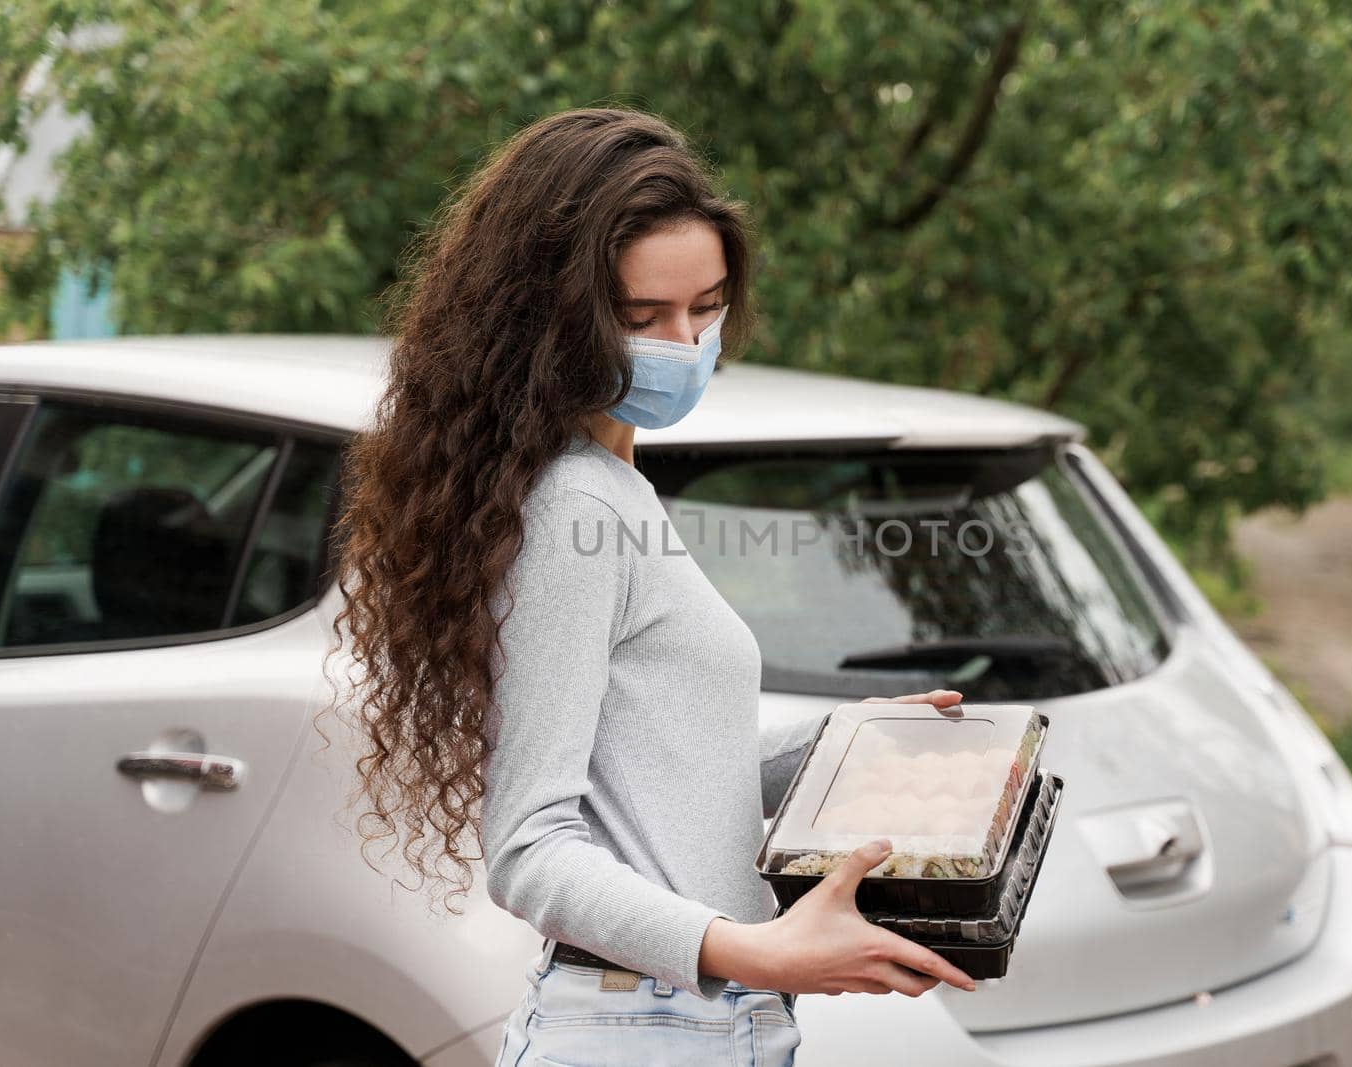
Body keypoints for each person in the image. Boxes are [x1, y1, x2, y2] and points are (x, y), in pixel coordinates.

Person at [329, 105, 976, 1067]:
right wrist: (757, 949)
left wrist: (841, 747)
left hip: (689, 1022)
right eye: (641, 318)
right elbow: (530, 848)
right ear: (552, 318)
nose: (683, 341)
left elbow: (654, 772)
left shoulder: (612, 487)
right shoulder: (568, 506)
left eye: (705, 308)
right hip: (642, 1026)